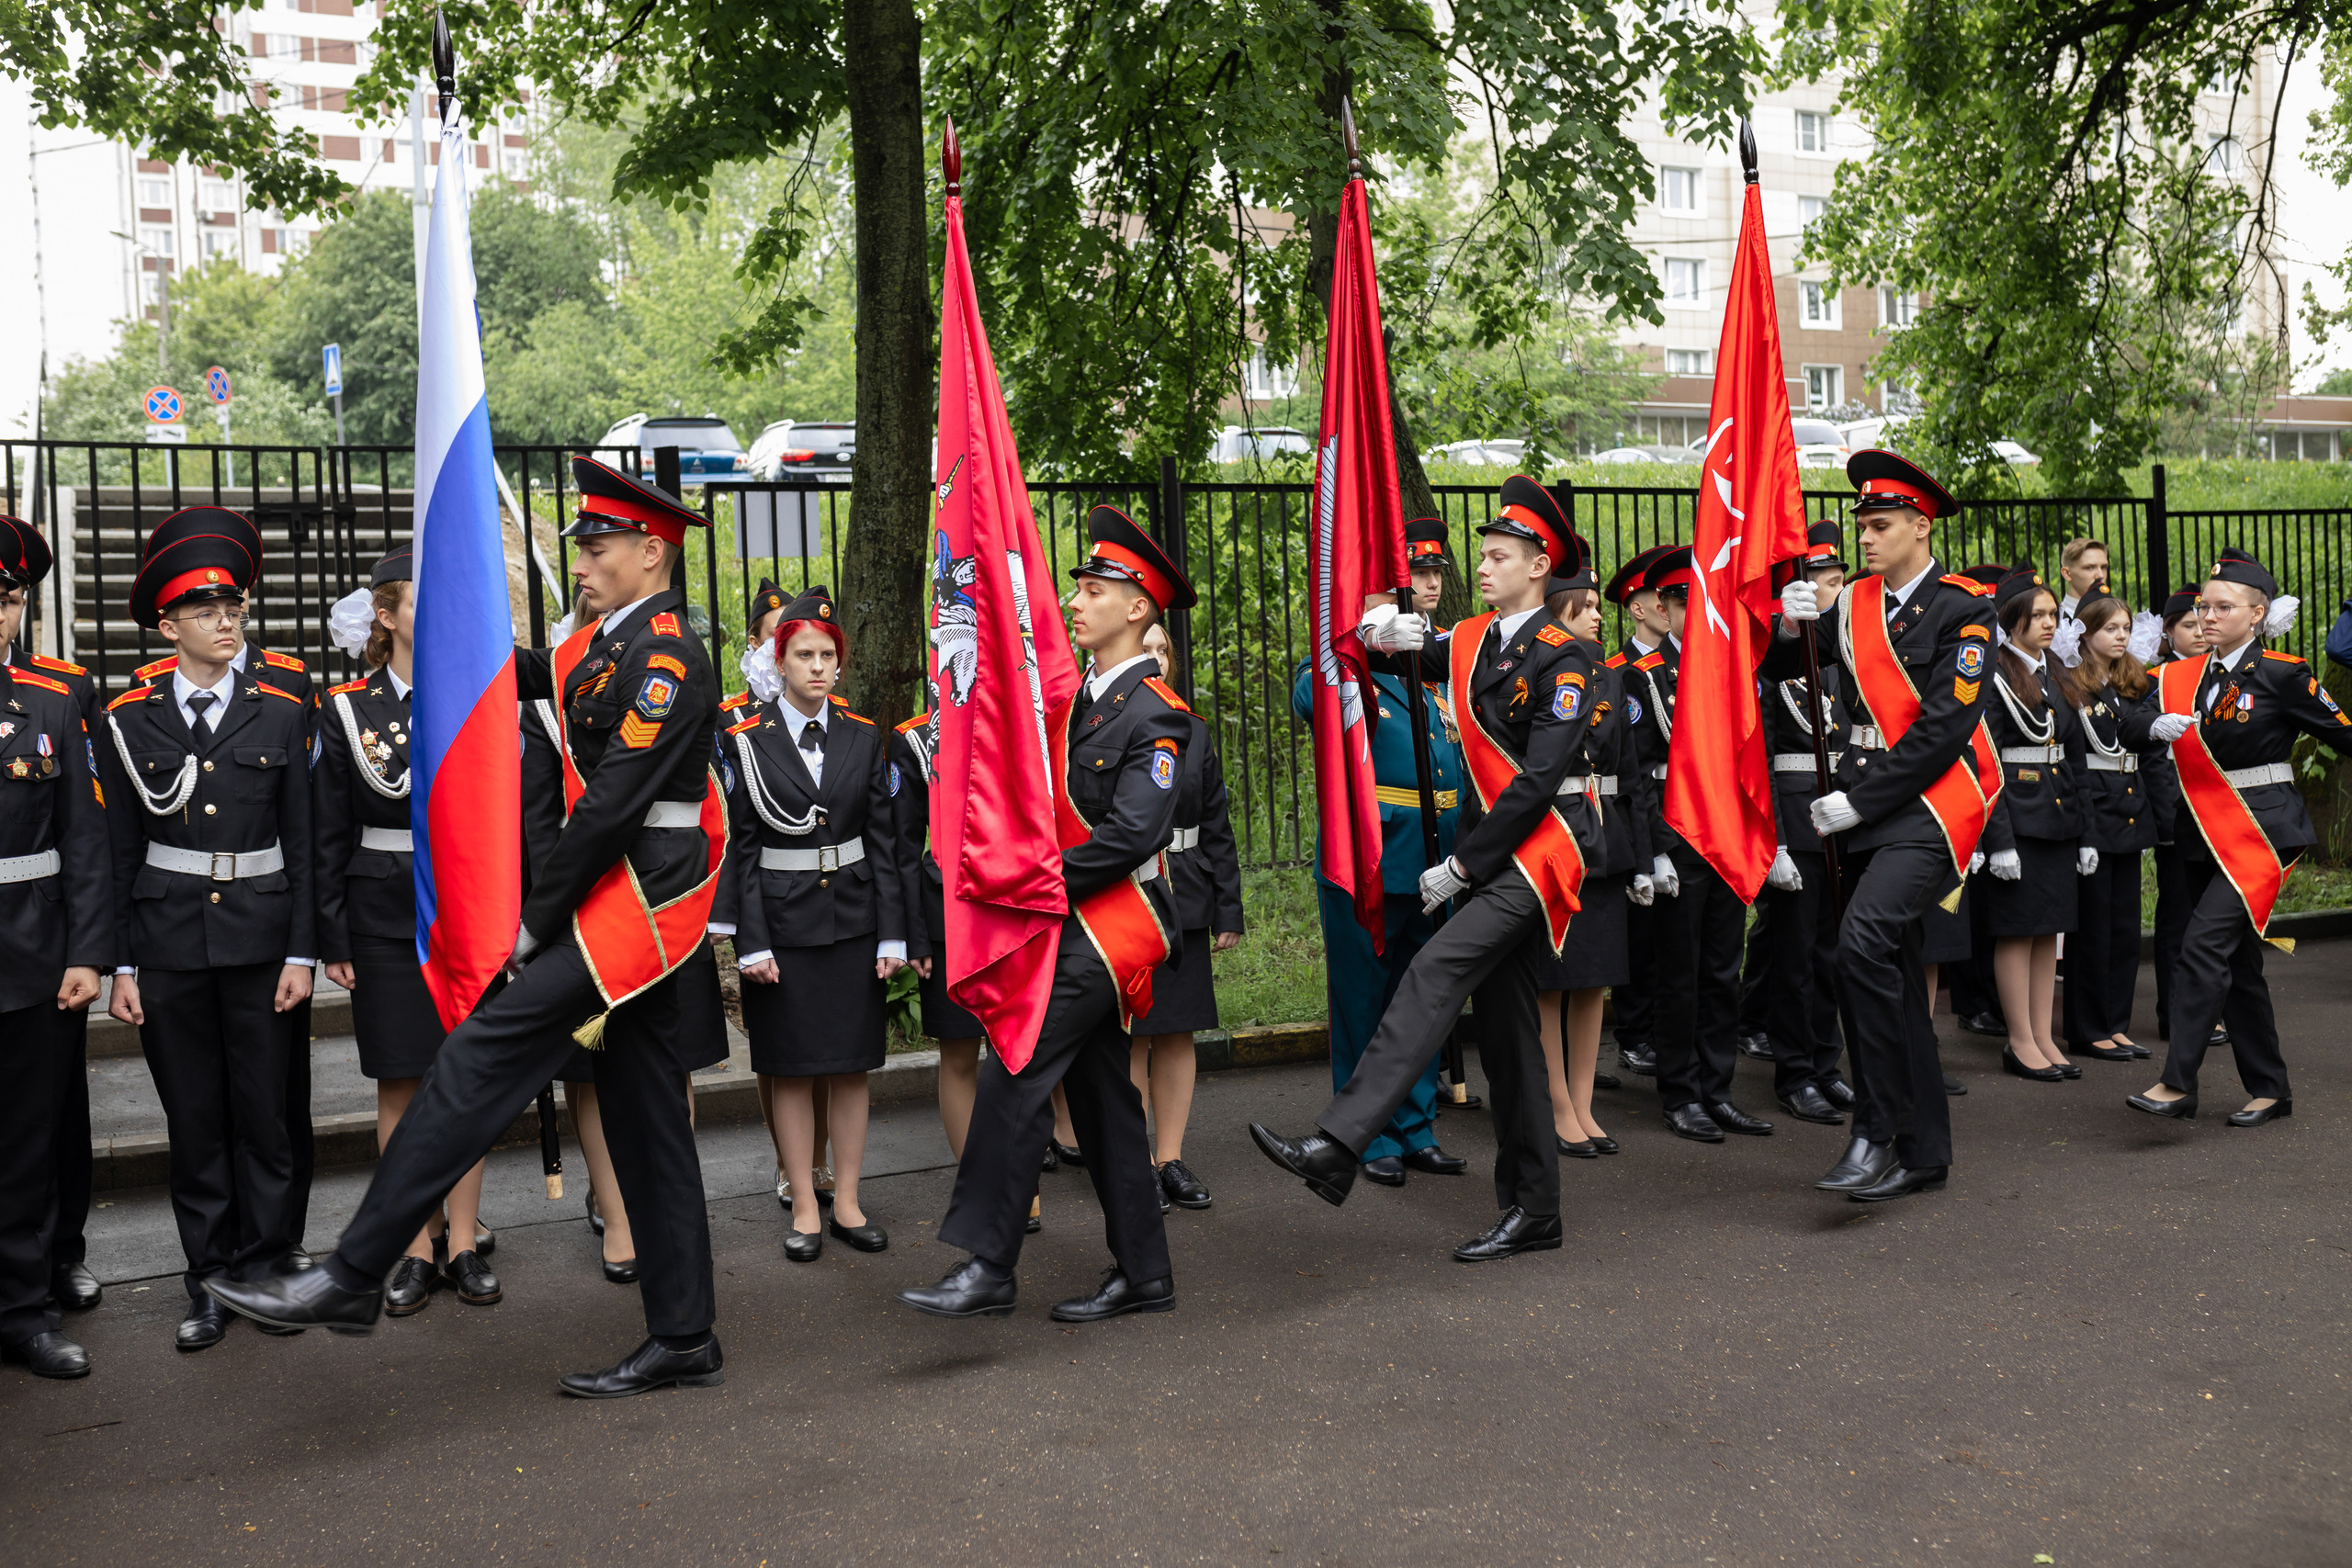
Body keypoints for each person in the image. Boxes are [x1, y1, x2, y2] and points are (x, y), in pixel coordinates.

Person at [206, 457, 729, 1400]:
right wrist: (440, 604)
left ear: (652, 554)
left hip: (638, 906)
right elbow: (515, 667)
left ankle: (355, 1273)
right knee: (652, 1121)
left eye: (599, 545)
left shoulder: (668, 658)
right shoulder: (604, 645)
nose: (583, 560)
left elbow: (609, 809)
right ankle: (686, 1334)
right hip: (611, 900)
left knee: (478, 1058)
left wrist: (530, 926)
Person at [1250, 475, 1594, 1263]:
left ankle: (1337, 1145)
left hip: (1534, 862)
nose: (1481, 566)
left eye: (1500, 555)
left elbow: (1538, 782)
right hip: (1490, 862)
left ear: (1540, 565)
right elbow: (1402, 653)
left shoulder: (1565, 660)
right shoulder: (1474, 643)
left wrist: (1462, 866)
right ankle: (1535, 1207)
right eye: (1484, 553)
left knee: (1433, 967)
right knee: (1508, 1044)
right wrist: (1373, 632)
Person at [896, 504, 1190, 1323]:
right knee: (1101, 1099)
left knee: (1016, 1067)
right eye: (1078, 587)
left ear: (1138, 609)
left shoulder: (1157, 713)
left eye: (1095, 590)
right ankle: (1146, 1269)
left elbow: (1135, 832)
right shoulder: (1073, 703)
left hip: (1112, 922)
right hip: (1071, 919)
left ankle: (990, 1260)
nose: (1077, 600)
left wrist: (1036, 885)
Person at [96, 507, 318, 1350]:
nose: (227, 620)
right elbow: (118, 850)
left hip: (264, 942)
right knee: (194, 1121)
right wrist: (119, 964)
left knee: (270, 1115)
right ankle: (211, 1281)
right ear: (168, 624)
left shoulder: (283, 702)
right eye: (205, 610)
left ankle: (270, 1266)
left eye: (234, 606)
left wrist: (303, 948)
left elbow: (302, 836)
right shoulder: (128, 716)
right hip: (167, 946)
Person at [1773, 450, 1996, 1203]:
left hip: (1929, 807)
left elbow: (1942, 729)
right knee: (1891, 977)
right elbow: (1784, 667)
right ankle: (1924, 1151)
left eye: (1880, 524)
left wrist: (1862, 803)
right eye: (1863, 524)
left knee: (1859, 943)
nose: (1865, 538)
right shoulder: (1854, 605)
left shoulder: (1966, 606)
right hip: (1867, 804)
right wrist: (1785, 624)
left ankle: (1874, 1126)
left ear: (1919, 527)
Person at [317, 548, 499, 1314]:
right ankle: (412, 1247)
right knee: (401, 1080)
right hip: (385, 914)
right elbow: (327, 831)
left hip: (466, 908)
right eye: (426, 600)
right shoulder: (348, 708)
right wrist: (334, 937)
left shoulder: (475, 695)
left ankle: (462, 1239)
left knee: (463, 1079)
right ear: (385, 616)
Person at [2122, 548, 2347, 1126]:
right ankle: (2271, 1089)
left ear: (2257, 614)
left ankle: (2178, 1083)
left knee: (2201, 947)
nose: (2208, 618)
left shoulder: (2283, 673)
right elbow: (2123, 721)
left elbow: (2346, 734)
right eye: (2204, 607)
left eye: (2224, 607)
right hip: (2200, 829)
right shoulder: (2179, 676)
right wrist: (2153, 724)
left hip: (2262, 830)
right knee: (2240, 964)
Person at [1284, 516, 1474, 1189]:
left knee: (1421, 999)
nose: (1427, 583)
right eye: (1414, 573)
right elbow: (1311, 695)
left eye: (1433, 573)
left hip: (1436, 852)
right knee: (1364, 1001)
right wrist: (1364, 641)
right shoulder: (1348, 657)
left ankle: (1416, 1126)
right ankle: (1365, 1133)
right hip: (1370, 854)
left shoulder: (1440, 663)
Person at [725, 584, 902, 1262]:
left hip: (854, 924)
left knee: (852, 1068)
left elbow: (884, 840)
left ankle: (849, 1198)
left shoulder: (863, 734)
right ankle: (804, 1199)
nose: (818, 665)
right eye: (804, 653)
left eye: (828, 654)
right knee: (792, 1070)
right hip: (783, 928)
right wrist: (752, 940)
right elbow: (742, 848)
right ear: (781, 659)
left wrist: (894, 934)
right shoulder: (748, 739)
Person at [0, 518, 108, 1379]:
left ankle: (22, 1308)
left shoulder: (52, 696)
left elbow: (84, 836)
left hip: (33, 948)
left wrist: (87, 951)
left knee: (28, 1143)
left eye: (5, 600)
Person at [1628, 546, 1774, 1143]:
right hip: (1678, 839)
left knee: (1721, 968)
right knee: (1679, 972)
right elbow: (1638, 775)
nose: (1700, 610)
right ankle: (1680, 1091)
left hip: (1726, 836)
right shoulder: (1641, 679)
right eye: (1688, 601)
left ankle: (1717, 1089)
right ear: (1664, 608)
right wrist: (1654, 850)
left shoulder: (1733, 673)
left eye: (1710, 599)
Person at [1534, 559, 1652, 1158]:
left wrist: (1642, 858)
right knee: (1554, 981)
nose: (1595, 618)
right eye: (1581, 608)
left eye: (1595, 608)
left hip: (1603, 843)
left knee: (1593, 981)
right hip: (1554, 840)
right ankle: (1556, 1103)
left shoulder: (1611, 679)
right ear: (1554, 615)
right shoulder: (1534, 675)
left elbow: (1628, 774)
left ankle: (1583, 1102)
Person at [1129, 619, 1244, 1211]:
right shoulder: (1099, 723)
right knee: (1130, 1036)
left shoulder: (1194, 731)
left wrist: (1229, 907)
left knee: (1175, 1032)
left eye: (1162, 649)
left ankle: (1168, 1158)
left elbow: (1217, 826)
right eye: (1143, 649)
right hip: (1124, 895)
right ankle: (1128, 1163)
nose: (1153, 659)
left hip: (1187, 894)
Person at [1757, 522, 1855, 1125]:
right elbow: (1758, 753)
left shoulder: (1842, 653)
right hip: (1793, 821)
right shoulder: (1772, 658)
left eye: (1841, 578)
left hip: (1839, 816)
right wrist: (1772, 840)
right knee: (1792, 959)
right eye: (1828, 579)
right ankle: (1794, 1073)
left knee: (1830, 955)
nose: (1837, 589)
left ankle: (1826, 1062)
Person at [1977, 568, 2086, 1083]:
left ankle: (2044, 1035)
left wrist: (2084, 832)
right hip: (2019, 824)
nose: (2049, 623)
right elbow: (1987, 763)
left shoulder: (2056, 673)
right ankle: (2019, 1040)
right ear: (2011, 619)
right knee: (2018, 933)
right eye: (2037, 615)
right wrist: (1997, 840)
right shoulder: (1993, 676)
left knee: (2050, 933)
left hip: (2059, 819)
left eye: (2051, 614)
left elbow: (2076, 759)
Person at [2063, 586, 2164, 1063]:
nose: (2122, 636)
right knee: (2094, 927)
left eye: (2125, 627)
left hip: (2128, 807)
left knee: (2125, 928)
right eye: (2110, 628)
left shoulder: (2134, 682)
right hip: (2094, 809)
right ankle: (2087, 1028)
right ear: (2085, 631)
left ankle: (2116, 1024)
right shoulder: (2070, 684)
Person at [1601, 542, 1678, 1080]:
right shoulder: (1621, 671)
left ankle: (1661, 1028)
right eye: (1661, 596)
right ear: (1639, 607)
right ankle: (1634, 1031)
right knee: (1643, 934)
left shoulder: (1683, 663)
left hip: (1682, 803)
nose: (1672, 604)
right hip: (1643, 804)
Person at [2148, 587, 2205, 1047]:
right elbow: (2152, 758)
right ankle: (2175, 1013)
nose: (2202, 630)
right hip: (2179, 814)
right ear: (2168, 631)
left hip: (2219, 812)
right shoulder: (2156, 680)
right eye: (2189, 623)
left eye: (2205, 619)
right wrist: (2166, 822)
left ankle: (2209, 1010)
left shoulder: (2223, 674)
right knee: (2178, 920)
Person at [2052, 536, 2109, 668]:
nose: (2100, 575)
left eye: (2104, 567)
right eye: (2090, 568)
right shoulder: (2056, 621)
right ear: (2066, 573)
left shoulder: (2116, 615)